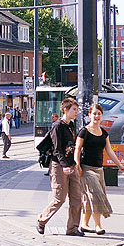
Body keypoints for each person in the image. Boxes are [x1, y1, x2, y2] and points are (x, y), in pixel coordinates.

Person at [75, 103, 124, 234]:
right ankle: (98, 225)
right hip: (86, 168)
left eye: (99, 113)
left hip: (99, 169)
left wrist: (119, 165)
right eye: (94, 113)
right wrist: (77, 165)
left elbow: (109, 151)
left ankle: (85, 224)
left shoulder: (104, 133)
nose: (96, 116)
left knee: (91, 197)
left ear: (102, 115)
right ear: (89, 115)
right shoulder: (84, 131)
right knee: (96, 195)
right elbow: (77, 149)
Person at [36, 97, 84, 236]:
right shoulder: (57, 126)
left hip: (72, 165)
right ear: (65, 110)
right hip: (59, 165)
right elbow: (57, 149)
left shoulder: (71, 125)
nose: (76, 112)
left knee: (76, 198)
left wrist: (75, 163)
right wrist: (64, 166)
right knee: (59, 198)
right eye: (74, 109)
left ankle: (72, 228)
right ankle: (42, 220)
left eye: (76, 109)